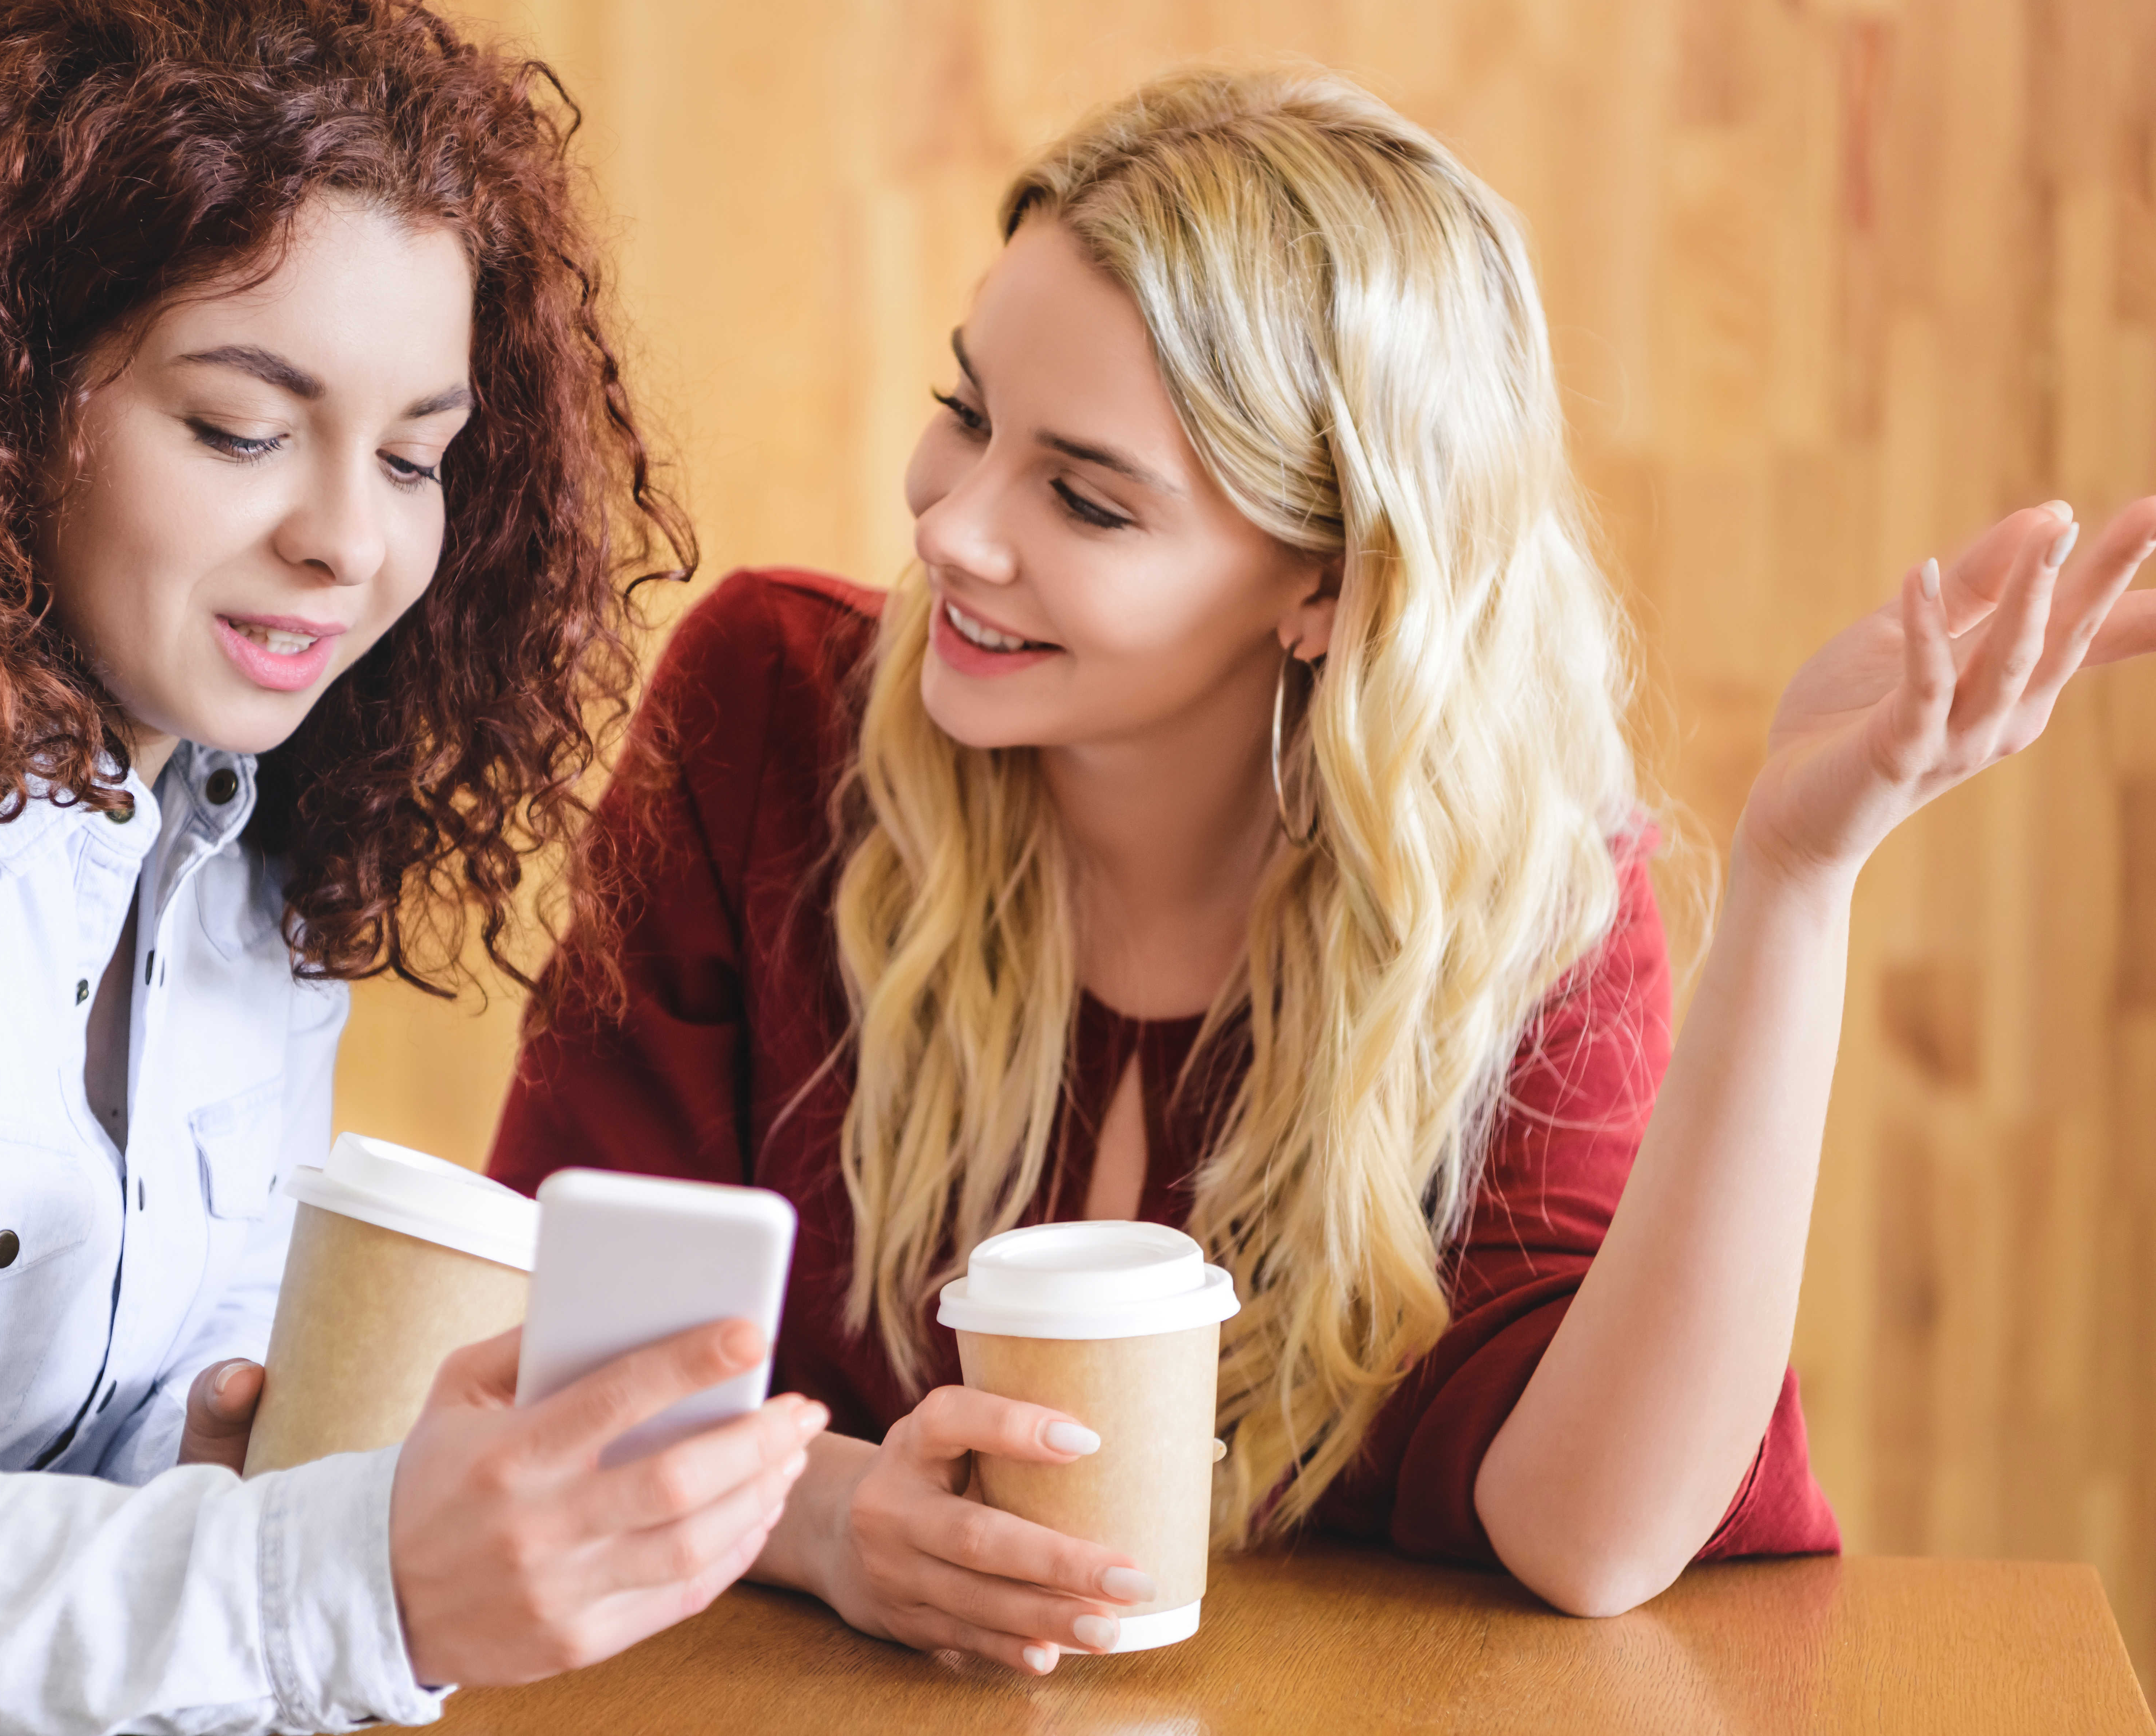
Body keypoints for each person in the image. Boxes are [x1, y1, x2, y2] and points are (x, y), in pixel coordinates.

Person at [481, 67, 2156, 1676]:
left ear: (1331, 591)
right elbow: (542, 1356)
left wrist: (1799, 876)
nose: (950, 529)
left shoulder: (1506, 905)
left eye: (1084, 497)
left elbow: (1594, 1536)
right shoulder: (769, 715)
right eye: (966, 414)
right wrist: (831, 1518)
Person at [0, 3, 824, 1731]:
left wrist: (234, 1471)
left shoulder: (244, 817)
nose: (349, 540)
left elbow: (102, 1448)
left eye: (412, 457)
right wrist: (340, 1576)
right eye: (240, 430)